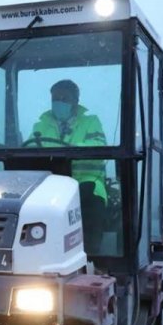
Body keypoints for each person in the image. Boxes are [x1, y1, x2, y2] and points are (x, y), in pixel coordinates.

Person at [28, 79, 108, 253]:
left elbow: (98, 147)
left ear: (75, 102)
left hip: (85, 181)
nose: (59, 102)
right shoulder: (40, 125)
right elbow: (28, 148)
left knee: (89, 200)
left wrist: (70, 150)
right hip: (49, 183)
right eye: (56, 98)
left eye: (65, 98)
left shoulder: (91, 122)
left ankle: (91, 254)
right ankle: (36, 252)